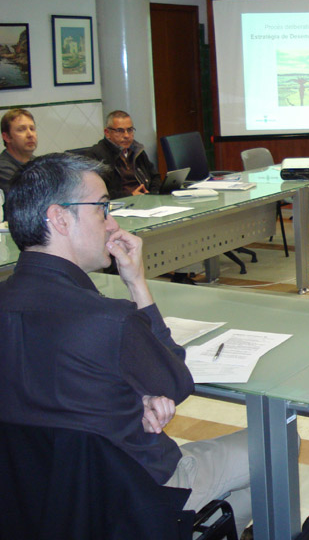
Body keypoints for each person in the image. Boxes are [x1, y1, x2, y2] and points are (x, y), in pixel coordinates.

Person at [0, 153, 251, 533]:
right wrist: (137, 283)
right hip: (134, 494)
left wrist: (135, 395)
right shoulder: (109, 320)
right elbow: (177, 381)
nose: (112, 223)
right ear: (59, 217)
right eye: (102, 209)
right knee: (277, 445)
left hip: (31, 503)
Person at [86, 110, 162, 199]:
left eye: (129, 130)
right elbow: (99, 192)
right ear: (107, 133)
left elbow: (155, 177)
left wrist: (152, 194)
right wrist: (131, 196)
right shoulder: (96, 155)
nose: (126, 135)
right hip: (121, 205)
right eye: (120, 131)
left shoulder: (137, 150)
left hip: (146, 201)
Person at [0, 108, 38, 197]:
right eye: (21, 129)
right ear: (6, 137)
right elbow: (28, 197)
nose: (30, 135)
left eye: (32, 129)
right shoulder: (2, 168)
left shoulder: (37, 162)